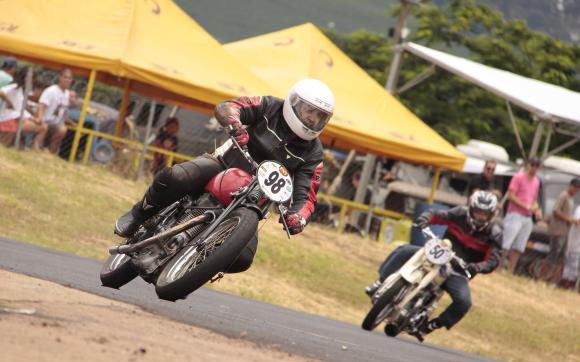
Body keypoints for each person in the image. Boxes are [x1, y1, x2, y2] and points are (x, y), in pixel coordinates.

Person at [114, 78, 335, 267]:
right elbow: (230, 106)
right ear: (294, 103)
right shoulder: (269, 106)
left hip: (255, 200)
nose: (313, 120)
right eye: (310, 112)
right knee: (175, 176)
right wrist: (234, 123)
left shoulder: (314, 153)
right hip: (222, 165)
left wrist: (299, 217)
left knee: (243, 259)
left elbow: (307, 196)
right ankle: (139, 214)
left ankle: (197, 262)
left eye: (320, 116)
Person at [364, 191, 502, 341]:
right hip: (439, 253)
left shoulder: (494, 234)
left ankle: (430, 326)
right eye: (477, 212)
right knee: (403, 250)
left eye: (485, 214)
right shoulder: (459, 213)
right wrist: (425, 218)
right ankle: (378, 282)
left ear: (491, 214)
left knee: (464, 302)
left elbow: (493, 260)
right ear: (471, 208)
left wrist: (477, 267)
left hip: (459, 271)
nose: (480, 216)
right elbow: (437, 214)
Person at [500, 158, 542, 274]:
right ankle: (498, 267)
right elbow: (511, 196)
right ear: (529, 165)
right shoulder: (518, 177)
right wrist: (526, 206)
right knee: (506, 243)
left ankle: (510, 270)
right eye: (533, 165)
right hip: (515, 213)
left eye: (537, 166)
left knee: (520, 245)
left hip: (527, 216)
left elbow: (533, 199)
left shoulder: (536, 181)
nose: (534, 168)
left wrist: (536, 209)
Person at [0, 67, 47, 150]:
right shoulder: (15, 87)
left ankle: (32, 147)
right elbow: (1, 91)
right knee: (43, 127)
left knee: (43, 126)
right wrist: (9, 102)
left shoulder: (22, 90)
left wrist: (33, 118)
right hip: (8, 119)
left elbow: (21, 109)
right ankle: (33, 148)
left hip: (16, 118)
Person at [547, 178, 580, 280]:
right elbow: (556, 211)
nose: (577, 191)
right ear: (571, 186)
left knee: (561, 258)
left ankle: (554, 280)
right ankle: (544, 277)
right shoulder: (564, 195)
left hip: (565, 231)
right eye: (576, 188)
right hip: (558, 230)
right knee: (553, 256)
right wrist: (569, 219)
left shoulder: (570, 198)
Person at [37, 68, 74, 154]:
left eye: (69, 78)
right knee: (61, 129)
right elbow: (42, 105)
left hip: (57, 122)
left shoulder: (67, 94)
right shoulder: (51, 90)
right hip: (47, 120)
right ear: (60, 78)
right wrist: (40, 118)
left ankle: (51, 152)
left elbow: (63, 110)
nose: (67, 80)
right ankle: (39, 148)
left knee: (63, 130)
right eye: (65, 77)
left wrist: (70, 121)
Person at [561, 204, 580, 291]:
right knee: (571, 269)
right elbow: (577, 221)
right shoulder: (579, 209)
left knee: (574, 270)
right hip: (575, 246)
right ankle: (566, 288)